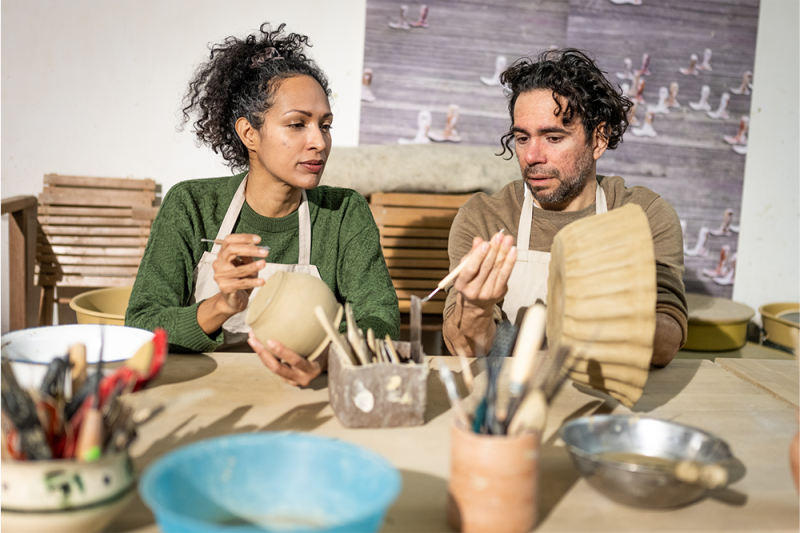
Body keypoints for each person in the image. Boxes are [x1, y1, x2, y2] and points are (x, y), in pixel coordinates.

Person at [126, 23, 400, 386]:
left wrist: (324, 358)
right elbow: (141, 327)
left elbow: (381, 323)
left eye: (325, 125)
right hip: (200, 394)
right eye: (297, 124)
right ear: (249, 133)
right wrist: (222, 305)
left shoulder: (344, 212)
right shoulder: (191, 205)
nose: (319, 141)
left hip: (306, 394)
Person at [442, 48, 687, 367]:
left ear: (598, 139)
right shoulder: (486, 217)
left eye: (553, 138)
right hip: (508, 404)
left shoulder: (643, 215)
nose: (532, 156)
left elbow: (667, 339)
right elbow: (463, 348)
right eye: (522, 138)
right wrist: (475, 307)